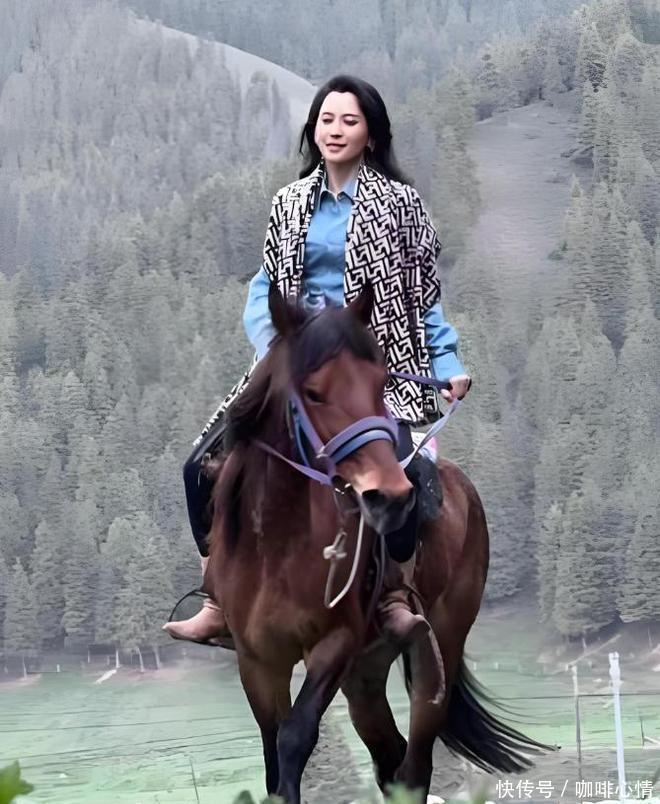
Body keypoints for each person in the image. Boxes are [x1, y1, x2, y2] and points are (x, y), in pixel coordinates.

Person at [163, 74, 471, 647]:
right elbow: (264, 285)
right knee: (198, 467)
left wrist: (448, 361)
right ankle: (219, 595)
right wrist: (274, 347)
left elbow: (425, 296)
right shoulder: (288, 202)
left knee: (408, 474)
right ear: (313, 129)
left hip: (367, 367)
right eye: (326, 120)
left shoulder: (402, 206)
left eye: (349, 121)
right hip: (294, 363)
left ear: (371, 135)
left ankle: (396, 593)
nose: (335, 130)